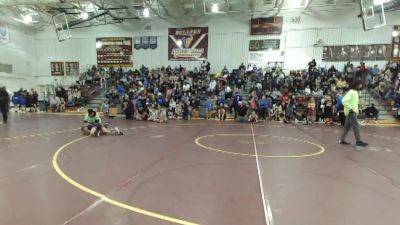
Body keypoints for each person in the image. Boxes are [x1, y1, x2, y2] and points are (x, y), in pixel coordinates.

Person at [339, 79, 368, 147]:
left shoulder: (354, 92)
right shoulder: (352, 92)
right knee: (356, 126)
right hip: (351, 112)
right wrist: (351, 108)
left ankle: (341, 140)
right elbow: (344, 100)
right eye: (360, 84)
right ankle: (358, 141)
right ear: (356, 84)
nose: (361, 85)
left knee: (347, 127)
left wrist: (359, 107)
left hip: (350, 112)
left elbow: (353, 102)